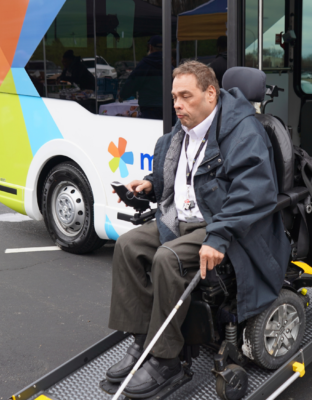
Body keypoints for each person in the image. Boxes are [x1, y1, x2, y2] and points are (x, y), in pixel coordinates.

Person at [105, 61, 289, 398]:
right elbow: (181, 178)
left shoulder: (242, 131)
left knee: (167, 258)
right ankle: (141, 342)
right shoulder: (183, 131)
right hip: (183, 218)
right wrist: (149, 184)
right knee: (128, 246)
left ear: (210, 94)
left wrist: (218, 236)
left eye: (185, 96)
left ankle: (166, 358)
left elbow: (254, 192)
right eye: (175, 97)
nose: (177, 104)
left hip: (222, 222)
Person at [119, 35, 166, 120]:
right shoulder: (169, 63)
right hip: (168, 106)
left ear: (150, 47)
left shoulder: (145, 64)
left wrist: (122, 95)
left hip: (149, 106)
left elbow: (133, 82)